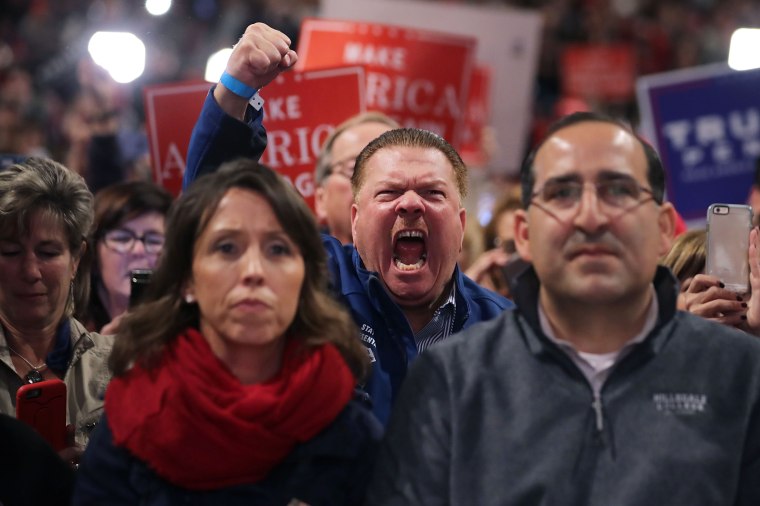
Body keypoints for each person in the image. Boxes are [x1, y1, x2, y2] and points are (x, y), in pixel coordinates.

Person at [366, 112, 760, 505]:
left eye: (618, 191)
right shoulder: (452, 379)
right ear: (523, 234)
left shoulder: (743, 375)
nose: (590, 217)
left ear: (662, 229)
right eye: (562, 194)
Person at [183, 23, 512, 425]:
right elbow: (210, 218)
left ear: (462, 225)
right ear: (354, 221)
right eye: (389, 193)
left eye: (432, 193)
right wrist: (235, 89)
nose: (410, 204)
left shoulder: (507, 332)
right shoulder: (309, 280)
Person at [74, 159, 382, 505]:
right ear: (187, 279)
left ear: (305, 278)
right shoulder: (132, 416)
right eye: (226, 248)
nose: (253, 271)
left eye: (277, 249)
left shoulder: (347, 426)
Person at [0, 157, 113, 450]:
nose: (30, 271)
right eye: (11, 252)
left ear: (76, 259)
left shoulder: (120, 366)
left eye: (48, 253)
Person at [79, 181, 172, 333]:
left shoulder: (190, 333)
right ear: (94, 253)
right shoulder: (67, 335)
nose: (138, 250)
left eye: (154, 240)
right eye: (122, 239)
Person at [313, 111, 399, 244]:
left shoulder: (437, 260)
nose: (377, 182)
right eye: (354, 168)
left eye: (391, 169)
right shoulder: (298, 262)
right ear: (321, 199)